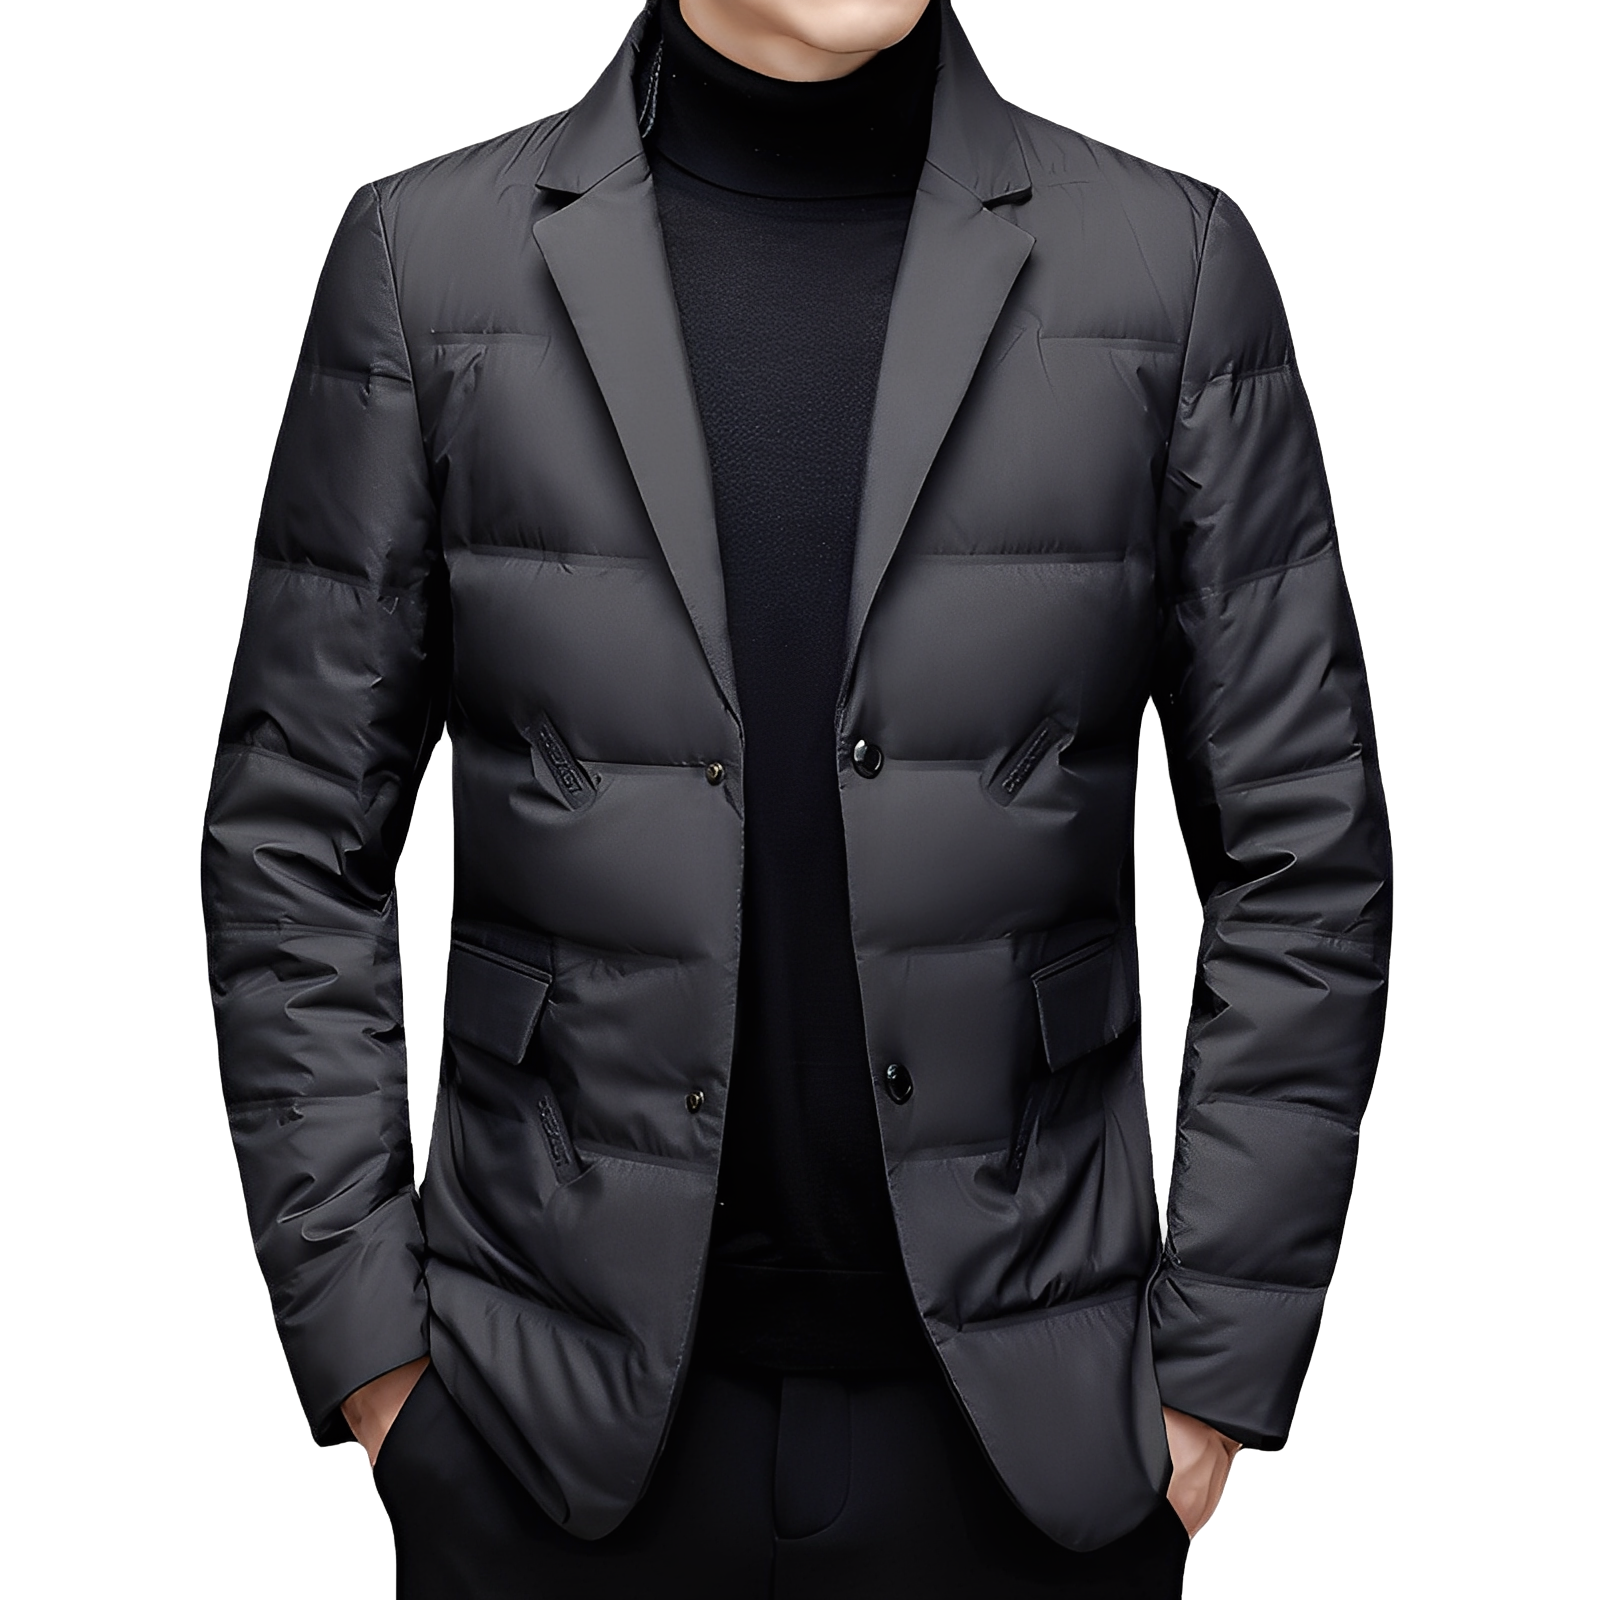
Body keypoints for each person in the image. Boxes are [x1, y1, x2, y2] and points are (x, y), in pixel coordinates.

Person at [199, 1, 1392, 1595]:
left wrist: (1211, 1374)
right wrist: (379, 1369)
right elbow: (293, 835)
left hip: (1031, 1450)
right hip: (541, 1439)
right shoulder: (430, 267)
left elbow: (1305, 845)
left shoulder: (1166, 271)